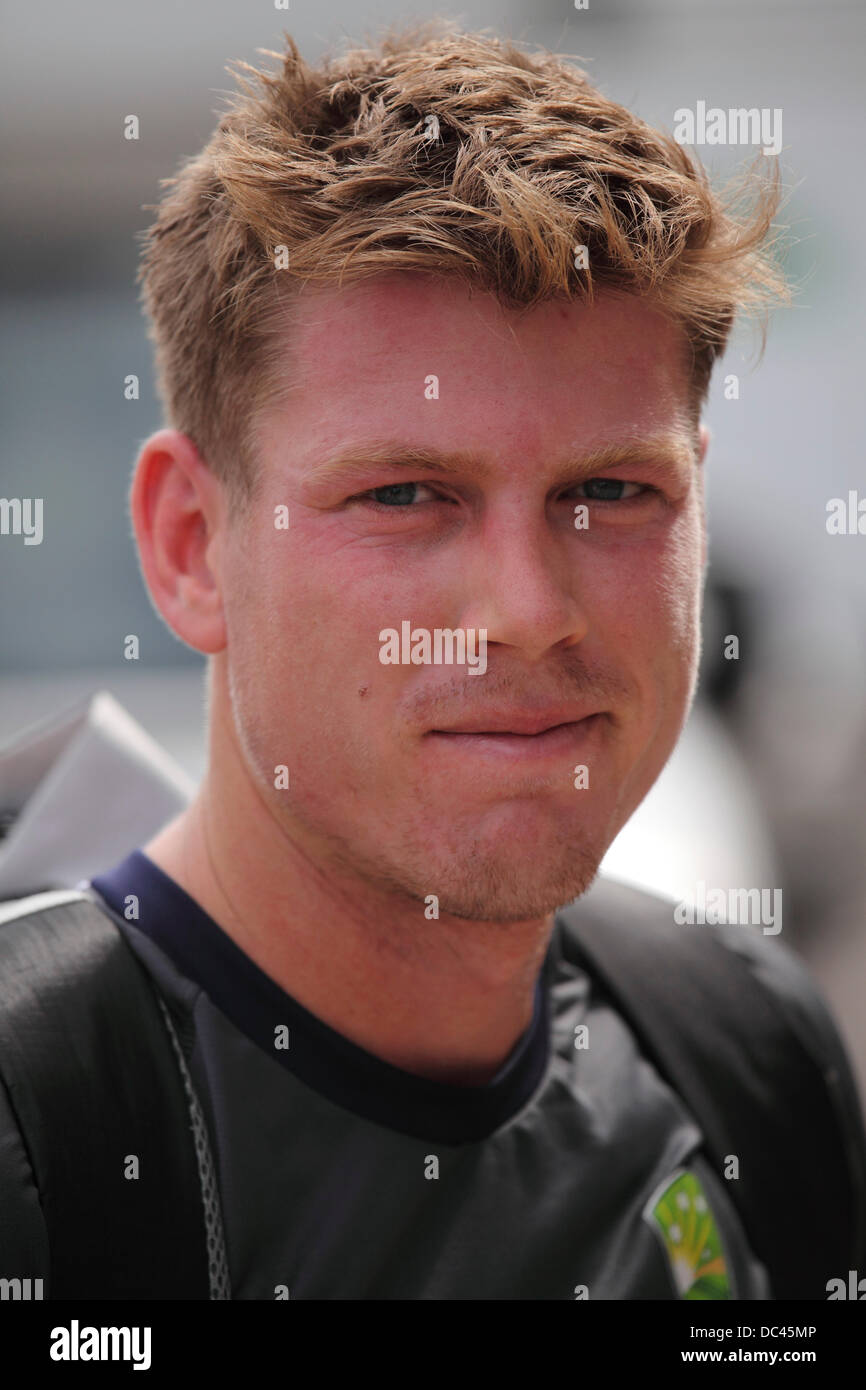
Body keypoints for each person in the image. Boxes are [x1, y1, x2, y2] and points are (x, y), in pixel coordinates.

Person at [1, 23, 863, 1302]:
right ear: (191, 546)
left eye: (610, 489)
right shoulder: (39, 1130)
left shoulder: (740, 1042)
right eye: (405, 494)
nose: (525, 610)